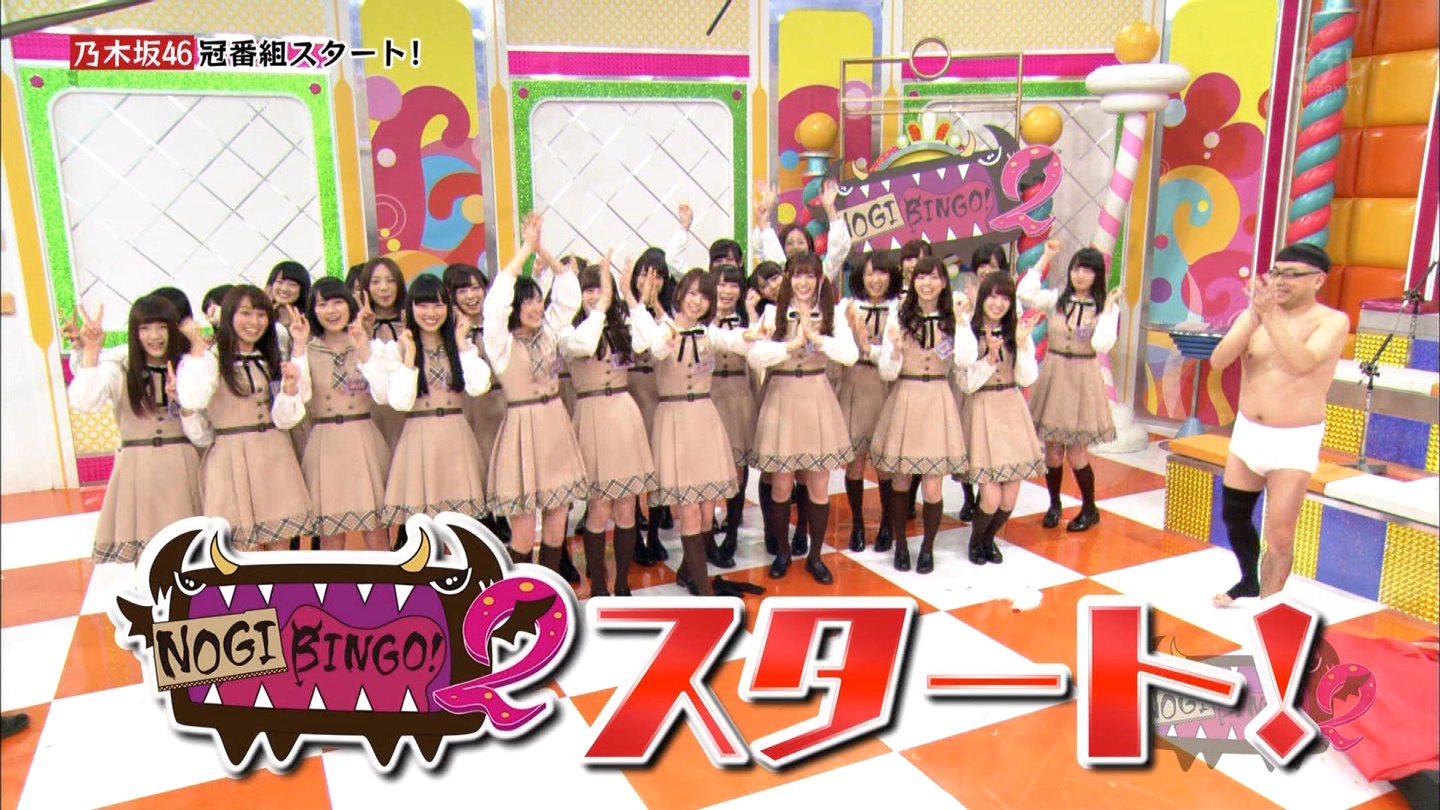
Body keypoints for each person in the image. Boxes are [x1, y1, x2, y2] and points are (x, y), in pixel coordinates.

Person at [1209, 243, 1349, 606]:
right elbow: (1219, 360)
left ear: (1317, 280)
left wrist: (1269, 317)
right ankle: (1248, 580)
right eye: (1276, 273)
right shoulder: (1255, 316)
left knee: (1280, 534)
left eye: (1291, 274)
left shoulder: (1331, 321)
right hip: (1248, 432)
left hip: (1294, 440)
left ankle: (1268, 610)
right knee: (1234, 516)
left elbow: (1302, 362)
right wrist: (1253, 319)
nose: (1280, 281)